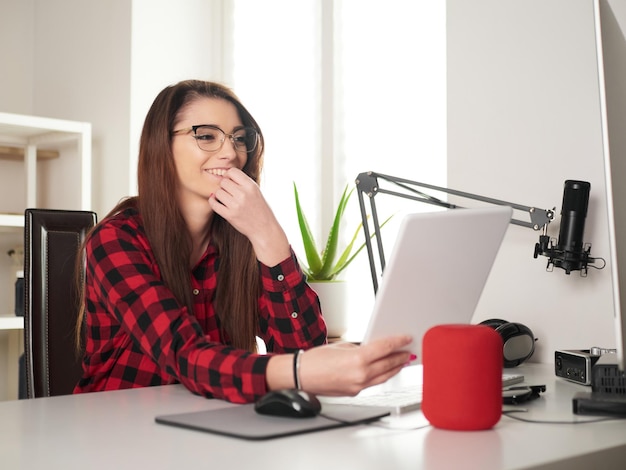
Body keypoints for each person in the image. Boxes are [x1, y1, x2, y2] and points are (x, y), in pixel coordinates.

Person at [74, 79, 414, 403]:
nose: (231, 153)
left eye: (239, 139)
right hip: (117, 433)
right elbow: (184, 355)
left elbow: (304, 352)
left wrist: (269, 236)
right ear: (161, 146)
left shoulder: (239, 241)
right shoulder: (116, 240)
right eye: (206, 136)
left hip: (210, 426)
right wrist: (298, 371)